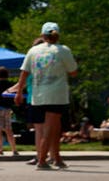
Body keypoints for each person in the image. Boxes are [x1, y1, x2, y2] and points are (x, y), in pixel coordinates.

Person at [16, 22, 78, 170]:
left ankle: (57, 158)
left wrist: (18, 92)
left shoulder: (33, 51)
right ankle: (42, 160)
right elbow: (73, 72)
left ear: (42, 35)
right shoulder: (63, 50)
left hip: (37, 95)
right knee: (50, 129)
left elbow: (24, 72)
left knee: (55, 128)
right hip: (56, 95)